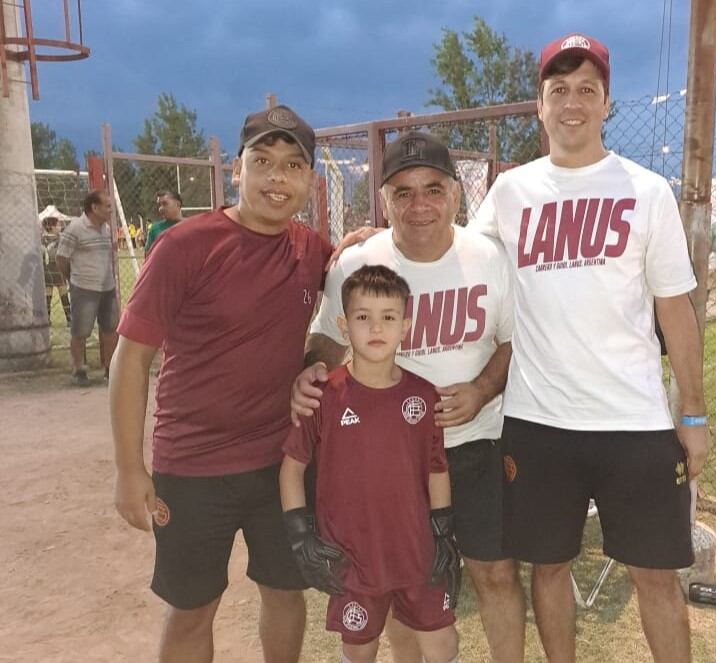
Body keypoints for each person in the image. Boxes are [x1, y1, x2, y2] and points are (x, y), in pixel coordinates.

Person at [470, 33, 711, 663]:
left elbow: (675, 309)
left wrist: (693, 413)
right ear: (539, 107)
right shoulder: (510, 192)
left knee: (655, 575)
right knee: (548, 569)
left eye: (586, 90)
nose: (572, 103)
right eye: (558, 91)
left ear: (607, 103)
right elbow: (456, 258)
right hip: (539, 420)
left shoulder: (646, 190)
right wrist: (371, 239)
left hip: (634, 421)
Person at [109, 104, 342, 663]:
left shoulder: (312, 250)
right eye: (262, 161)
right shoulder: (186, 246)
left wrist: (360, 241)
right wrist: (128, 469)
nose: (276, 178)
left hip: (280, 463)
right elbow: (131, 358)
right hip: (191, 467)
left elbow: (343, 311)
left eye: (292, 165)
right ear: (237, 170)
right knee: (193, 609)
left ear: (310, 181)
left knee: (286, 595)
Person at [293, 131, 526, 662]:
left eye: (433, 189)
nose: (419, 205)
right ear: (382, 200)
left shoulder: (488, 257)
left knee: (495, 570)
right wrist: (314, 370)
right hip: (389, 460)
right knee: (400, 580)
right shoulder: (359, 263)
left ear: (456, 195)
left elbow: (513, 343)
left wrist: (483, 390)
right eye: (402, 193)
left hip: (473, 443)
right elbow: (327, 336)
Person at [281, 264, 461, 663]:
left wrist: (443, 530)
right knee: (359, 648)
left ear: (406, 326)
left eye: (388, 318)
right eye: (363, 318)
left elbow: (436, 468)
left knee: (442, 642)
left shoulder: (423, 396)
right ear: (344, 326)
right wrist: (299, 533)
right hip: (351, 556)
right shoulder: (323, 395)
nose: (376, 329)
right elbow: (292, 467)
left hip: (416, 549)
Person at [55, 190, 119, 386]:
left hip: (107, 287)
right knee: (80, 331)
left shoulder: (106, 229)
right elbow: (61, 258)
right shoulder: (75, 229)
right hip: (84, 287)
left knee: (110, 329)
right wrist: (72, 280)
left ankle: (110, 368)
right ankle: (78, 369)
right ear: (94, 207)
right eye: (107, 206)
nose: (110, 210)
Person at [41, 216, 72, 326]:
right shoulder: (42, 240)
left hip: (59, 270)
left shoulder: (61, 238)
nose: (60, 227)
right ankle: (46, 320)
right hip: (48, 271)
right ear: (51, 227)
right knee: (47, 296)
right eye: (58, 225)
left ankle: (69, 319)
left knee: (63, 294)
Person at [144, 190, 184, 258]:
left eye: (165, 204)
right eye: (159, 205)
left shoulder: (191, 225)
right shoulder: (155, 229)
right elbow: (148, 257)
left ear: (177, 204)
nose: (161, 208)